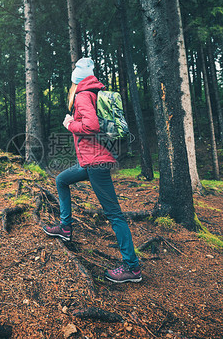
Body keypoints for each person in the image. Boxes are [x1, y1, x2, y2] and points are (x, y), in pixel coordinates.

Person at [43, 57, 142, 284]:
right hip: (92, 160)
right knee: (61, 180)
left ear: (76, 81)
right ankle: (65, 227)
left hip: (96, 162)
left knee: (114, 215)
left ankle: (132, 267)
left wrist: (70, 125)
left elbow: (91, 126)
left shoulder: (82, 95)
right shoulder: (94, 92)